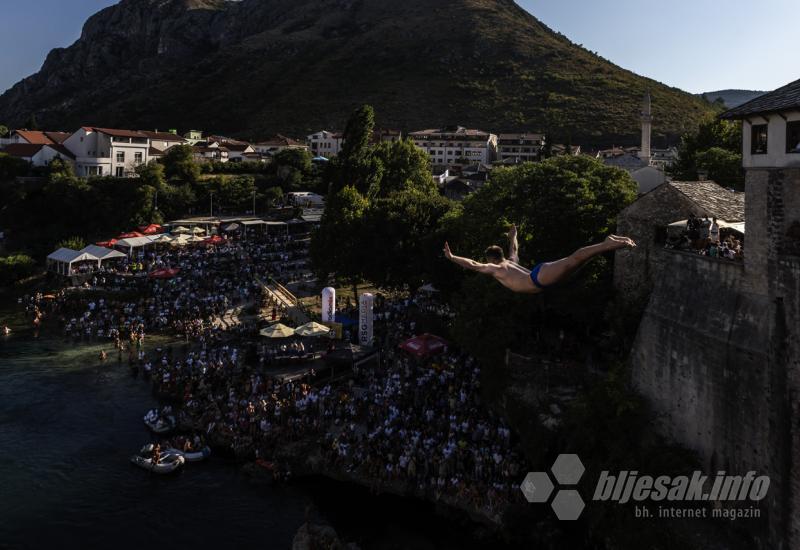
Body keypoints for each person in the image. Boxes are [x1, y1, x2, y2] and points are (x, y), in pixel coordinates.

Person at [443, 224, 635, 294]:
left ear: (491, 259)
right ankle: (605, 245)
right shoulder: (510, 261)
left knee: (574, 259)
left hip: (538, 279)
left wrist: (452, 257)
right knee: (577, 262)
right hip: (539, 275)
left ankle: (607, 243)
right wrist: (513, 236)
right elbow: (515, 248)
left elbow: (474, 265)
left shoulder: (496, 269)